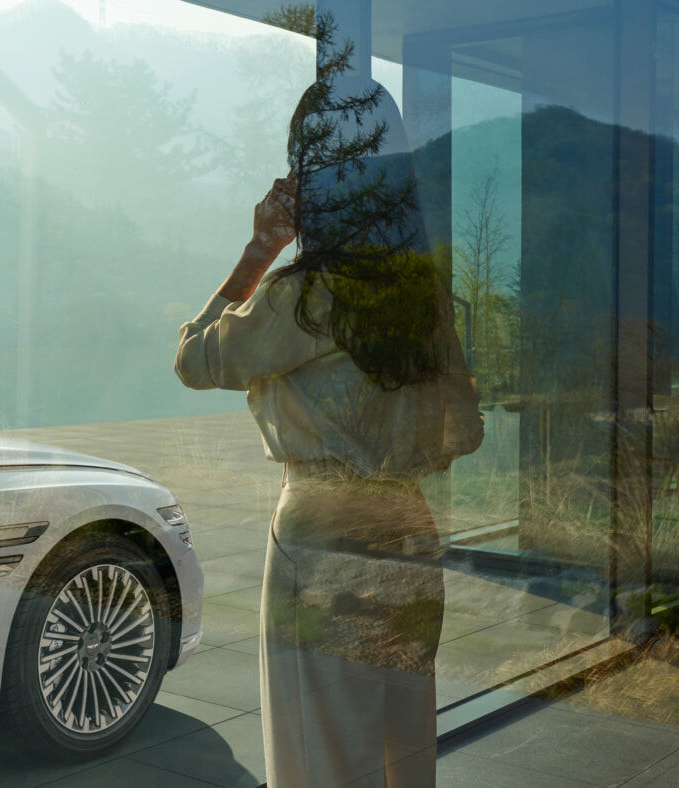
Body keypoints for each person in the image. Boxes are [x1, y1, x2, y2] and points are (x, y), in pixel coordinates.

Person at [173, 13, 482, 785]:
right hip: (409, 529)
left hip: (322, 538)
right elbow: (465, 430)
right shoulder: (423, 299)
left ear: (313, 172)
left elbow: (192, 359)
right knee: (401, 746)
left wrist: (258, 248)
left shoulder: (306, 299)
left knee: (322, 754)